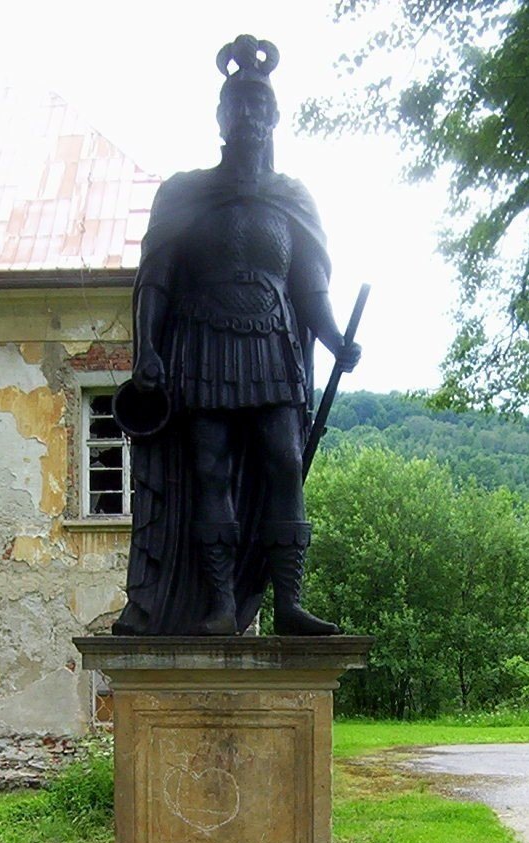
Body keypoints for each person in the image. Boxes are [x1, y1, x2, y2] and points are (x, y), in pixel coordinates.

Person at [112, 34, 361, 637]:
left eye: (258, 106)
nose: (248, 116)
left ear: (273, 117)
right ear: (221, 119)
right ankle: (220, 603)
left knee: (282, 459)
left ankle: (289, 604)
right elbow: (157, 280)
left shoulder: (290, 198)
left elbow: (310, 286)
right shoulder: (186, 193)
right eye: (237, 106)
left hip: (272, 342)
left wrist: (333, 340)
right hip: (202, 341)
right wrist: (147, 351)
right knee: (210, 468)